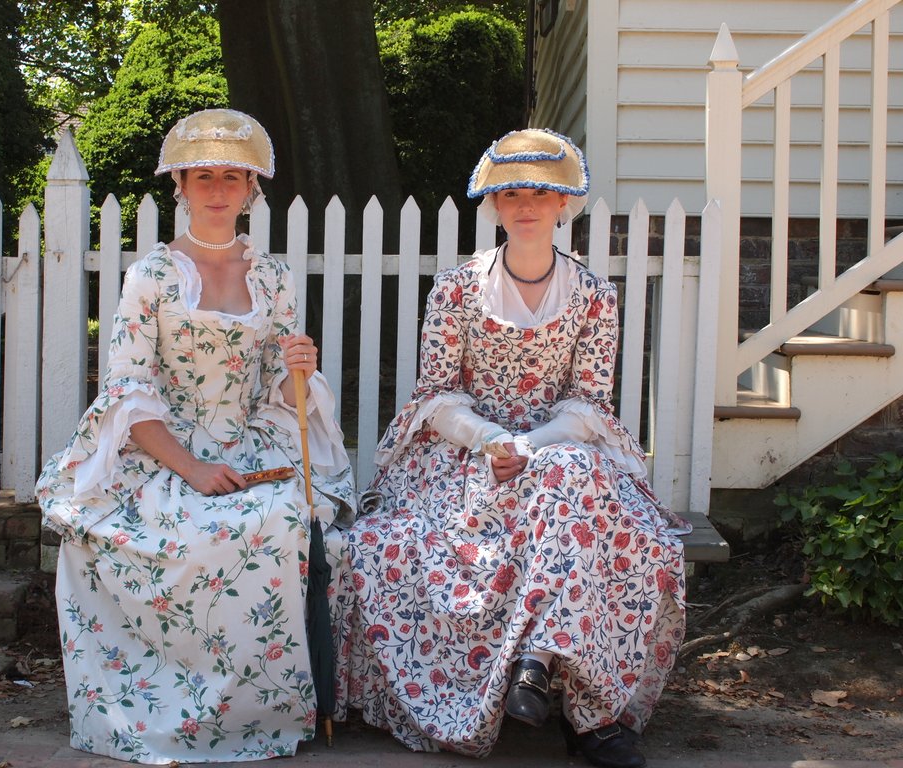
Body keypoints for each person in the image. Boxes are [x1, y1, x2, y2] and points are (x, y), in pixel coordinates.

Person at [333, 129, 688, 768]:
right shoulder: (456, 289)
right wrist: (495, 440)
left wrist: (529, 446)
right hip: (467, 457)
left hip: (558, 448)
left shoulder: (594, 297)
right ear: (495, 205)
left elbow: (587, 402)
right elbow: (436, 395)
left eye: (541, 193)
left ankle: (554, 673)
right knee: (556, 489)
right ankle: (587, 718)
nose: (526, 205)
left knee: (589, 491)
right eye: (512, 193)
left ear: (563, 204)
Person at [37, 108, 355, 764]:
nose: (217, 189)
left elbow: (284, 400)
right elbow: (129, 391)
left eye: (231, 177)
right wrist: (192, 469)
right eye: (202, 175)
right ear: (178, 184)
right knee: (184, 533)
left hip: (251, 442)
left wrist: (301, 371)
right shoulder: (151, 277)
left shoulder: (273, 279)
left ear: (250, 189)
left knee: (283, 520)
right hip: (165, 450)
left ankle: (267, 706)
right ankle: (168, 707)